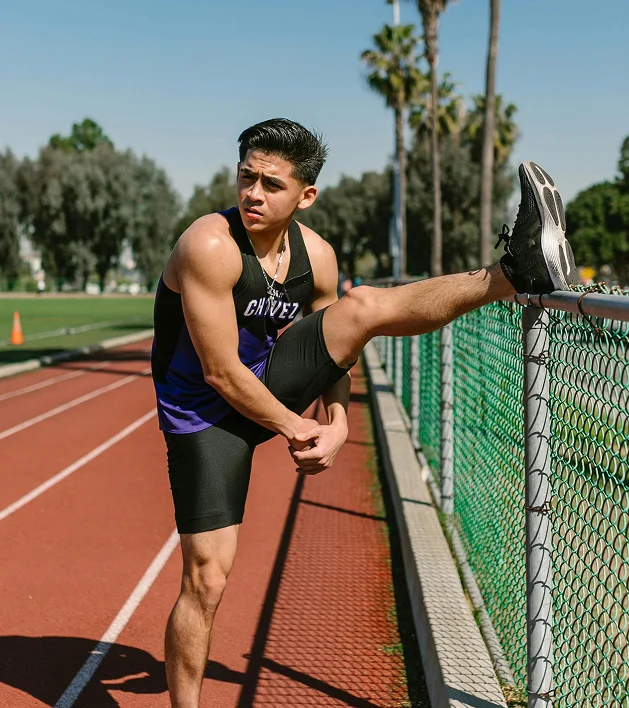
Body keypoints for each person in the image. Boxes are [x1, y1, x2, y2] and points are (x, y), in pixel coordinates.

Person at [151, 117, 577, 707]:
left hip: (270, 386)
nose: (252, 193)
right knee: (207, 577)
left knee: (363, 307)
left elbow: (336, 349)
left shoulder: (316, 257)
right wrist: (299, 425)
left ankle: (513, 271)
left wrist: (339, 421)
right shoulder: (209, 245)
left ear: (306, 196)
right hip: (204, 415)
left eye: (271, 184)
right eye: (246, 177)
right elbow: (220, 373)